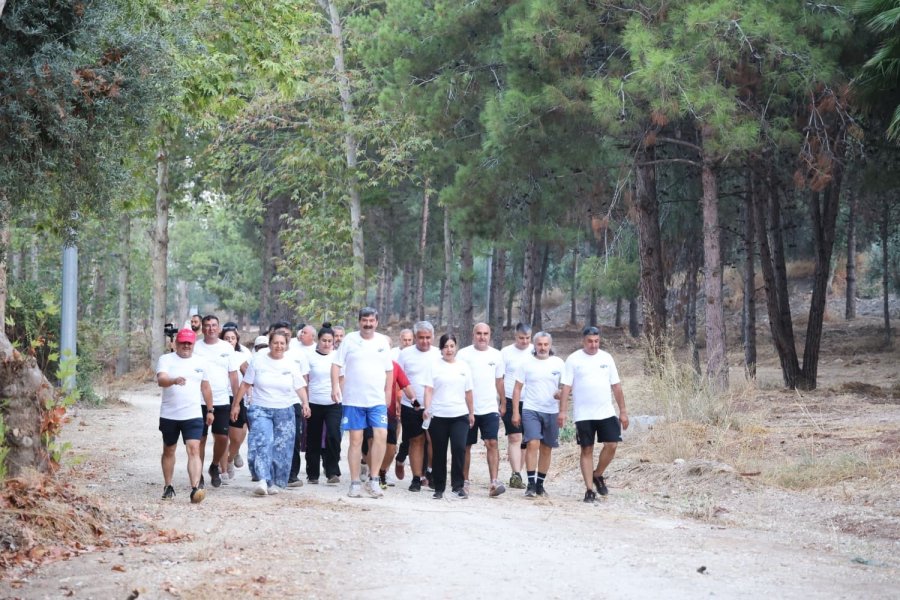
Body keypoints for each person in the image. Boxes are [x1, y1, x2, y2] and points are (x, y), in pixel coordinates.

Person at [231, 330, 310, 495]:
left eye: (282, 343)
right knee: (263, 443)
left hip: (285, 410)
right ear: (270, 344)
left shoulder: (290, 363)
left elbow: (299, 386)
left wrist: (305, 403)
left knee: (281, 447)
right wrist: (236, 404)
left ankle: (272, 481)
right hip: (261, 408)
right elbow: (246, 384)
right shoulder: (258, 360)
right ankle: (262, 479)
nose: (279, 346)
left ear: (286, 345)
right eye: (275, 343)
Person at [559, 326, 629, 503]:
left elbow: (617, 386)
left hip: (606, 411)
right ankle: (589, 489)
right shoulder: (573, 359)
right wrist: (562, 412)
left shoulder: (607, 358)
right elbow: (566, 388)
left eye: (596, 341)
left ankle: (598, 474)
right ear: (583, 341)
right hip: (583, 414)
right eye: (590, 341)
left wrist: (623, 411)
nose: (593, 345)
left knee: (612, 445)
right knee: (586, 449)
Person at [331, 307, 393, 499]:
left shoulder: (382, 341)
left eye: (371, 320)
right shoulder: (349, 339)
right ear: (359, 322)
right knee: (356, 440)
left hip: (376, 400)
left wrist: (388, 394)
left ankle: (374, 480)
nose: (368, 324)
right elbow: (336, 364)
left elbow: (389, 371)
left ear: (376, 322)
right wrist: (335, 386)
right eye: (364, 320)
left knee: (381, 434)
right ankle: (355, 482)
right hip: (354, 399)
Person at [156, 328, 213, 504]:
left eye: (189, 343)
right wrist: (173, 380)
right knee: (169, 449)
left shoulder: (202, 362)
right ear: (176, 344)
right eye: (183, 342)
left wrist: (210, 410)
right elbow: (161, 380)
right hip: (170, 414)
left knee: (194, 449)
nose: (186, 346)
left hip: (193, 414)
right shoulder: (166, 360)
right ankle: (168, 486)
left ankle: (195, 488)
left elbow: (205, 387)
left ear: (194, 344)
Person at [511, 331, 564, 498]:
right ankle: (531, 483)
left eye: (546, 344)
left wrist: (561, 394)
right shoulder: (526, 364)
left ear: (550, 345)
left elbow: (567, 386)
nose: (543, 348)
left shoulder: (559, 363)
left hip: (551, 411)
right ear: (535, 346)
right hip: (531, 409)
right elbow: (517, 389)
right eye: (539, 344)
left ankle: (540, 484)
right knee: (533, 443)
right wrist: (515, 412)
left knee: (547, 448)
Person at [422, 333, 474, 500]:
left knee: (459, 448)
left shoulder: (464, 366)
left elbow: (468, 392)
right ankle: (439, 486)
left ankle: (458, 486)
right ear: (441, 349)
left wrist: (471, 412)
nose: (449, 350)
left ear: (456, 347)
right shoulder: (434, 366)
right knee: (439, 451)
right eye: (445, 347)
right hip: (439, 415)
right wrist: (427, 408)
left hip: (460, 415)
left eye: (452, 346)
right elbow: (429, 389)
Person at [192, 315, 241, 489]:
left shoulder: (227, 347)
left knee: (222, 437)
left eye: (214, 325)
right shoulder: (196, 347)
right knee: (200, 439)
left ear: (219, 328)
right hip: (198, 400)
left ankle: (214, 466)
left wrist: (236, 403)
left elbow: (234, 376)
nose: (211, 329)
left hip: (221, 400)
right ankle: (198, 475)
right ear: (202, 328)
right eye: (207, 325)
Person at [457, 322, 506, 497]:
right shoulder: (463, 354)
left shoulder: (497, 355)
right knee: (466, 445)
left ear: (490, 335)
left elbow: (499, 381)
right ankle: (464, 481)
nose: (482, 337)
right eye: (479, 333)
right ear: (473, 335)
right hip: (467, 408)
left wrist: (503, 403)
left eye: (485, 333)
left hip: (489, 407)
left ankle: (494, 482)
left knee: (491, 443)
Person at [397, 321, 439, 492]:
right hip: (411, 405)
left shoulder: (438, 354)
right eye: (421, 338)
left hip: (435, 406)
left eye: (428, 337)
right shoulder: (405, 354)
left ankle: (430, 473)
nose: (425, 341)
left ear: (433, 337)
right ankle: (416, 478)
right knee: (416, 441)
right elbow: (399, 379)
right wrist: (404, 400)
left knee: (434, 441)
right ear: (415, 337)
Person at [304, 323, 342, 484]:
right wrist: (305, 402)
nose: (327, 344)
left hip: (333, 402)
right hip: (314, 401)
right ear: (318, 341)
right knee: (313, 437)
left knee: (333, 435)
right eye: (324, 340)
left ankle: (332, 471)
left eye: (330, 341)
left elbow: (342, 377)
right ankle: (312, 473)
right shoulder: (310, 357)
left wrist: (340, 392)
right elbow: (305, 380)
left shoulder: (338, 356)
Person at [500, 322, 533, 489]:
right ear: (515, 336)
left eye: (527, 338)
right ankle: (516, 473)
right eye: (521, 338)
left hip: (531, 400)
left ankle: (519, 474)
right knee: (515, 437)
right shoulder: (506, 353)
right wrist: (502, 402)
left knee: (526, 440)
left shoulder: (535, 351)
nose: (525, 341)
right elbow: (499, 377)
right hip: (510, 398)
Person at [220, 322, 251, 479]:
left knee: (238, 436)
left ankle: (231, 457)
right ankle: (223, 468)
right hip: (220, 396)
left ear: (237, 340)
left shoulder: (243, 354)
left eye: (232, 338)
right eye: (226, 338)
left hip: (238, 396)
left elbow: (250, 376)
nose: (229, 341)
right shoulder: (217, 354)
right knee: (223, 435)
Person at [391, 327, 415, 480]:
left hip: (417, 400)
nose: (407, 343)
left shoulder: (416, 353)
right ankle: (395, 455)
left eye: (409, 340)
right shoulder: (394, 354)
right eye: (404, 339)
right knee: (398, 432)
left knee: (416, 437)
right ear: (400, 339)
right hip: (398, 398)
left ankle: (422, 473)